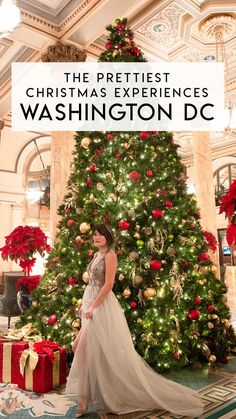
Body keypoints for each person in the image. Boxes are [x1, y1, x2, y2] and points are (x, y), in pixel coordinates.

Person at [65, 224, 204, 418]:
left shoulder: (110, 256)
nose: (96, 237)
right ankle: (90, 396)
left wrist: (92, 306)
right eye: (94, 234)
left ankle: (85, 400)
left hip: (101, 306)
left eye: (100, 235)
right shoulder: (96, 254)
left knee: (82, 347)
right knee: (81, 347)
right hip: (90, 303)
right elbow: (91, 284)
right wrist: (85, 305)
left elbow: (108, 285)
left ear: (108, 236)